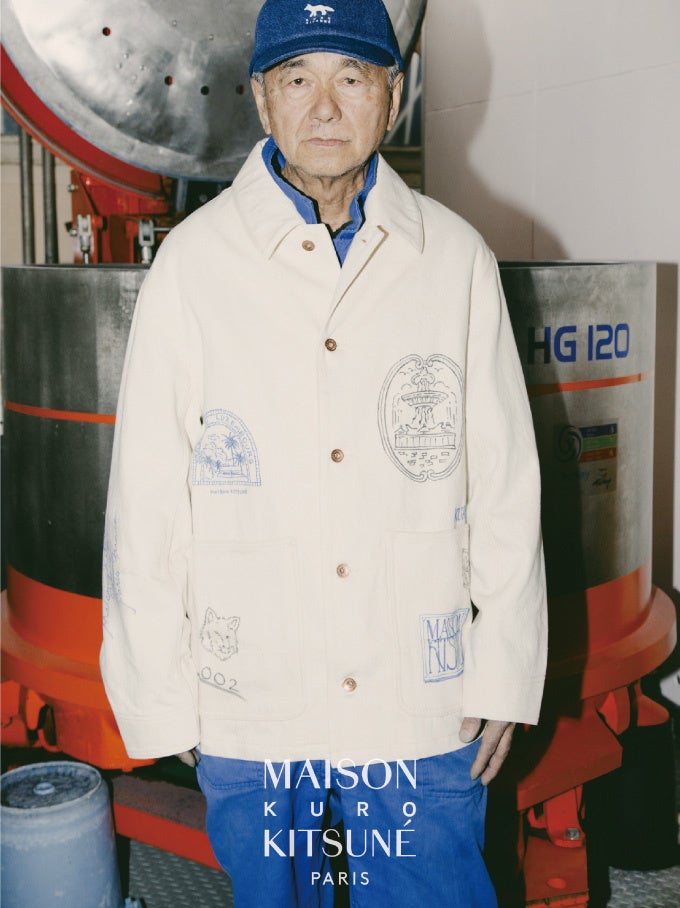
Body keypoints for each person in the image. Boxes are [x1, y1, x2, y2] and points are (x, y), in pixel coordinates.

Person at [101, 1, 548, 905]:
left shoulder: (453, 259)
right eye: (298, 79)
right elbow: (145, 499)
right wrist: (163, 692)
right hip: (253, 697)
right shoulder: (194, 265)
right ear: (262, 100)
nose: (325, 106)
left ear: (392, 96)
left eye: (352, 77)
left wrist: (504, 669)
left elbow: (506, 483)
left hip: (420, 698)